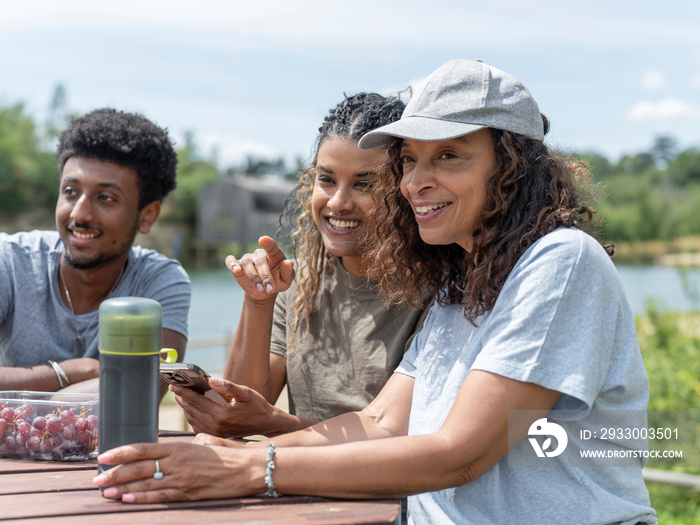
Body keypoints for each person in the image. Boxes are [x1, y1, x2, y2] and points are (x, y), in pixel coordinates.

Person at [93, 60, 656, 524]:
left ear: (512, 166)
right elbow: (381, 424)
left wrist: (251, 466)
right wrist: (224, 452)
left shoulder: (559, 261)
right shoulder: (463, 282)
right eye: (409, 160)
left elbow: (462, 454)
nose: (415, 181)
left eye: (449, 155)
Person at [171, 92, 430, 438]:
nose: (338, 202)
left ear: (403, 189)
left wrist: (276, 424)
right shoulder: (300, 283)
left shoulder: (435, 292)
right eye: (326, 179)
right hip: (299, 483)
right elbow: (237, 412)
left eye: (364, 184)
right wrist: (258, 301)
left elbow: (399, 437)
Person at [0, 108, 190, 394]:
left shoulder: (159, 282)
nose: (80, 213)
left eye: (105, 198)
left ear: (147, 216)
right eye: (70, 191)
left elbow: (142, 393)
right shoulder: (11, 261)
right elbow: (123, 387)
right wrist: (74, 371)